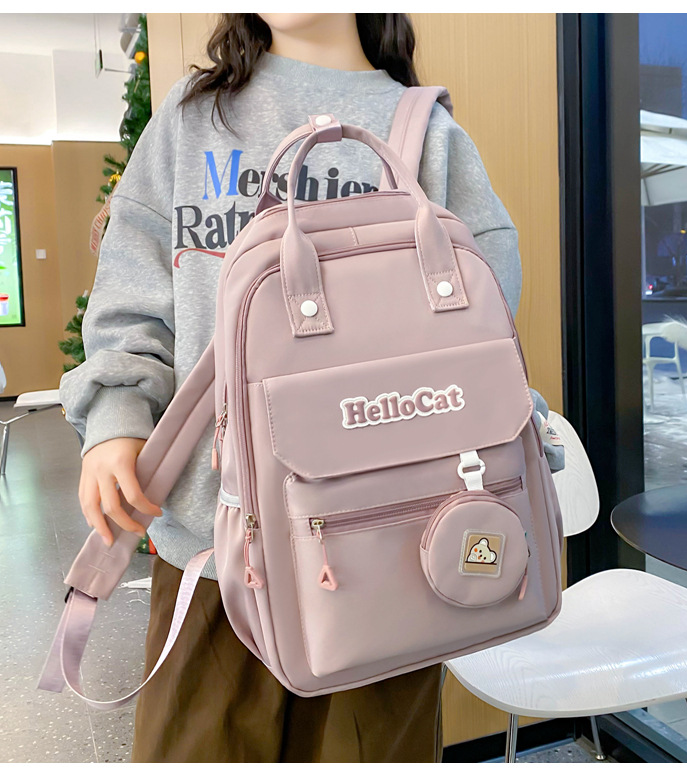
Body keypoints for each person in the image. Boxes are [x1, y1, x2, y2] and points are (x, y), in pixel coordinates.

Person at [59, 12, 552, 763]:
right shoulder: (193, 119)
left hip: (388, 553)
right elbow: (133, 293)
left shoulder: (427, 131)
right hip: (215, 548)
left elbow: (482, 338)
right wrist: (118, 413)